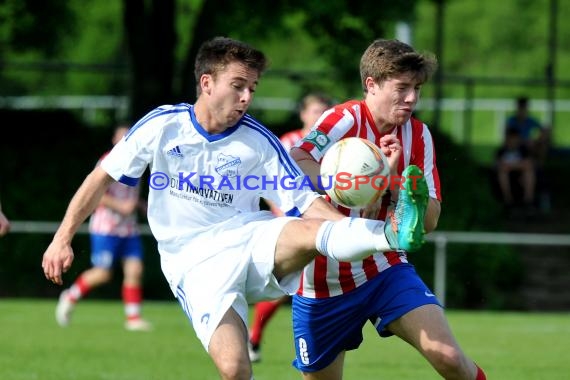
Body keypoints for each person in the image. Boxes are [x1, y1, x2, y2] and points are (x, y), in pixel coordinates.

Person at [42, 36, 429, 380]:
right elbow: (100, 177)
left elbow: (308, 204)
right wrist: (62, 239)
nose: (246, 97)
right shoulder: (163, 126)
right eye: (238, 86)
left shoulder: (258, 142)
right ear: (207, 84)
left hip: (248, 236)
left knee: (310, 230)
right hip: (191, 262)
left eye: (252, 89)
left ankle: (392, 234)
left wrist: (374, 226)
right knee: (235, 368)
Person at [289, 39, 486, 380]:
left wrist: (394, 184)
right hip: (323, 281)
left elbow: (429, 221)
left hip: (384, 268)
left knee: (450, 357)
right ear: (372, 84)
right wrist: (345, 182)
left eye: (417, 88)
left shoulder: (418, 136)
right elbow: (298, 160)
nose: (412, 99)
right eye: (402, 88)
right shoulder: (343, 119)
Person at [248, 92, 334, 363]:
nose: (319, 116)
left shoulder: (337, 146)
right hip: (290, 223)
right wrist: (280, 212)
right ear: (303, 114)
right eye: (314, 111)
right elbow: (265, 182)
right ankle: (253, 337)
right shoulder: (288, 142)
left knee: (318, 285)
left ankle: (322, 345)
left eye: (324, 111)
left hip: (322, 222)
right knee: (286, 286)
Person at [54, 125, 152, 332]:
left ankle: (133, 318)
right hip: (106, 227)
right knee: (103, 273)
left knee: (135, 269)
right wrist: (122, 207)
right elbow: (96, 192)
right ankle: (70, 296)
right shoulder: (108, 160)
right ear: (115, 138)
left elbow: (130, 197)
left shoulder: (141, 161)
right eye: (122, 135)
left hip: (128, 228)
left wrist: (140, 206)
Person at [495, 126, 536, 212]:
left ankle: (528, 201)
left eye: (514, 139)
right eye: (510, 139)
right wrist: (519, 165)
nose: (512, 141)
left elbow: (528, 164)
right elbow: (500, 165)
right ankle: (508, 200)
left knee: (529, 173)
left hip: (520, 175)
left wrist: (510, 166)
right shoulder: (501, 151)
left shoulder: (523, 150)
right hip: (508, 176)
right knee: (502, 173)